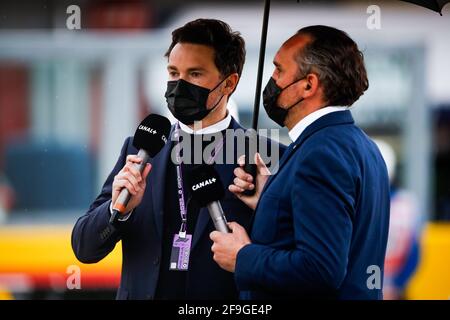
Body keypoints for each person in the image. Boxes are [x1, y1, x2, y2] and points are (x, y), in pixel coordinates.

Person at [71, 19, 284, 300]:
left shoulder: (266, 156)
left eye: (194, 74)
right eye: (173, 72)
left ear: (229, 83)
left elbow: (292, 259)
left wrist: (265, 205)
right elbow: (85, 248)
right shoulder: (139, 148)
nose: (179, 85)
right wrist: (118, 209)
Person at [210, 25, 390, 299]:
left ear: (309, 85)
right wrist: (271, 200)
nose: (272, 78)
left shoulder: (320, 152)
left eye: (280, 70)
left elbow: (321, 269)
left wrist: (242, 257)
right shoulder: (362, 146)